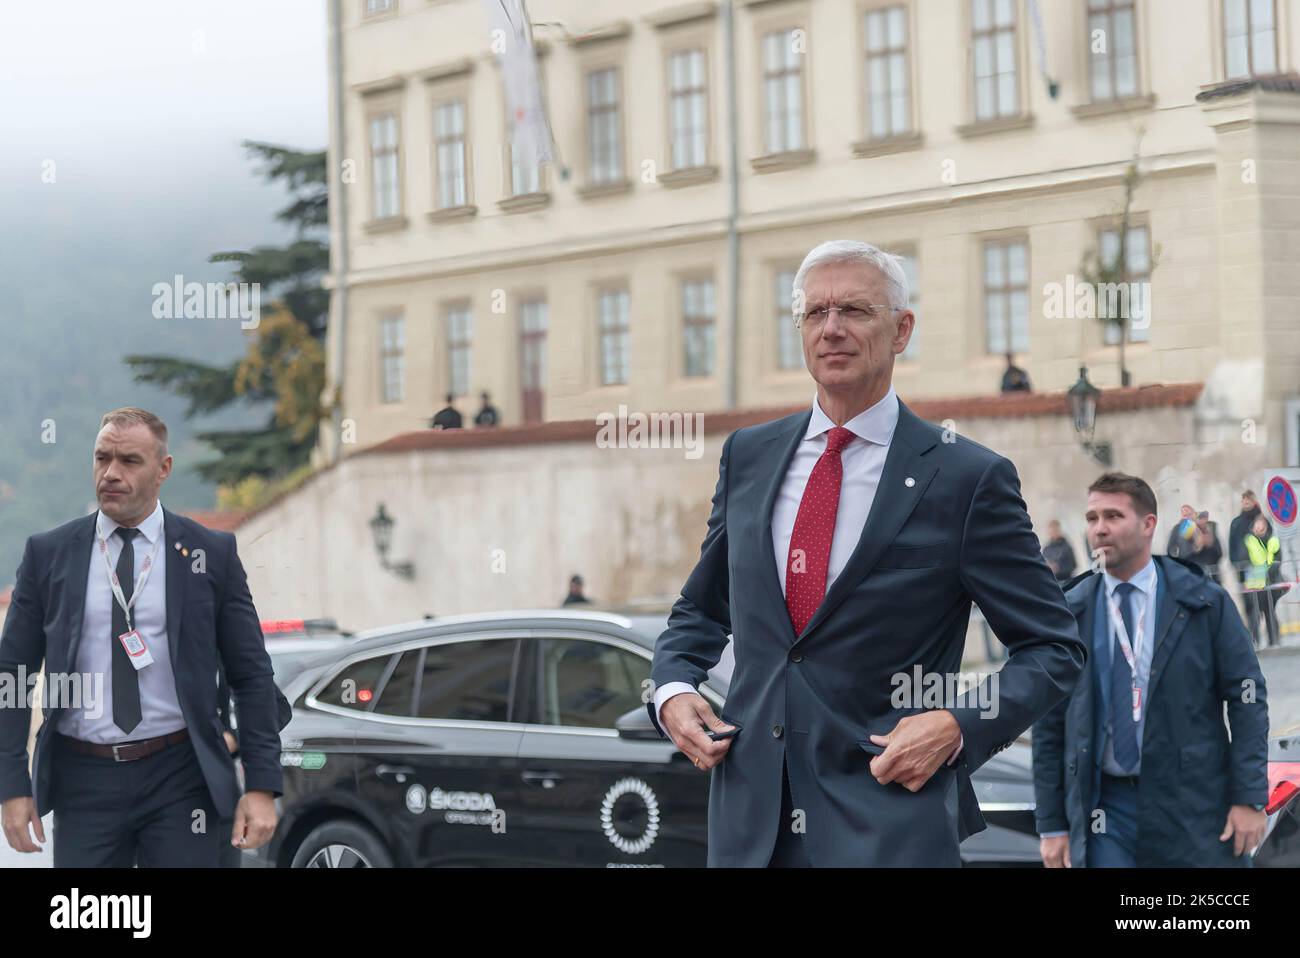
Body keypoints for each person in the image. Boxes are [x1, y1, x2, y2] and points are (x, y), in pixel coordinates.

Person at [649, 240, 1085, 867]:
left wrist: (959, 725)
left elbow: (1053, 648)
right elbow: (700, 609)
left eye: (854, 310)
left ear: (901, 330)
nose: (832, 329)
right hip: (750, 827)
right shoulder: (748, 455)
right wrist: (670, 688)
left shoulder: (966, 478)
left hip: (890, 823)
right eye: (815, 313)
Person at [0, 407, 288, 867]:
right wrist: (11, 784)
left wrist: (260, 785)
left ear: (163, 469)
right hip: (84, 779)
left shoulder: (208, 554)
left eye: (129, 461)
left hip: (181, 775)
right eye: (102, 458)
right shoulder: (49, 555)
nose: (111, 473)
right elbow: (11, 675)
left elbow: (250, 674)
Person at [1032, 472, 1269, 867]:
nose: (1100, 529)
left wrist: (1249, 797)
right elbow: (1048, 723)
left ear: (1148, 524)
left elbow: (1248, 698)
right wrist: (1052, 825)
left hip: (1193, 804)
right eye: (1092, 519)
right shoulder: (1069, 614)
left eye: (1113, 516)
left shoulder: (1201, 603)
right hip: (1105, 810)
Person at [1242, 515, 1281, 649]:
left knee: (1270, 611)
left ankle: (1274, 640)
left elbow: (1277, 558)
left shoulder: (1273, 540)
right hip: (1255, 583)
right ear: (1253, 527)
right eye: (1257, 523)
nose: (1260, 526)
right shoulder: (1249, 540)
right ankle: (1255, 641)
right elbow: (1244, 560)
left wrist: (1270, 571)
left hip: (1271, 581)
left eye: (1262, 523)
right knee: (1255, 613)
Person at [1229, 490, 1263, 591]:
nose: (1245, 501)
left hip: (1260, 566)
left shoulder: (1261, 520)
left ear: (1254, 502)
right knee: (1248, 601)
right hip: (1242, 566)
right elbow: (1232, 544)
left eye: (1248, 499)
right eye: (1243, 499)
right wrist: (1235, 563)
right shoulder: (1236, 522)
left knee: (1262, 599)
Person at [1185, 510, 1224, 582]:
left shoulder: (1212, 533)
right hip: (1197, 574)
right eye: (1200, 519)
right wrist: (1197, 546)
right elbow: (1184, 555)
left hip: (1213, 574)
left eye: (1204, 519)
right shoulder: (1189, 535)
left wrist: (1210, 545)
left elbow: (1220, 553)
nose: (1202, 522)